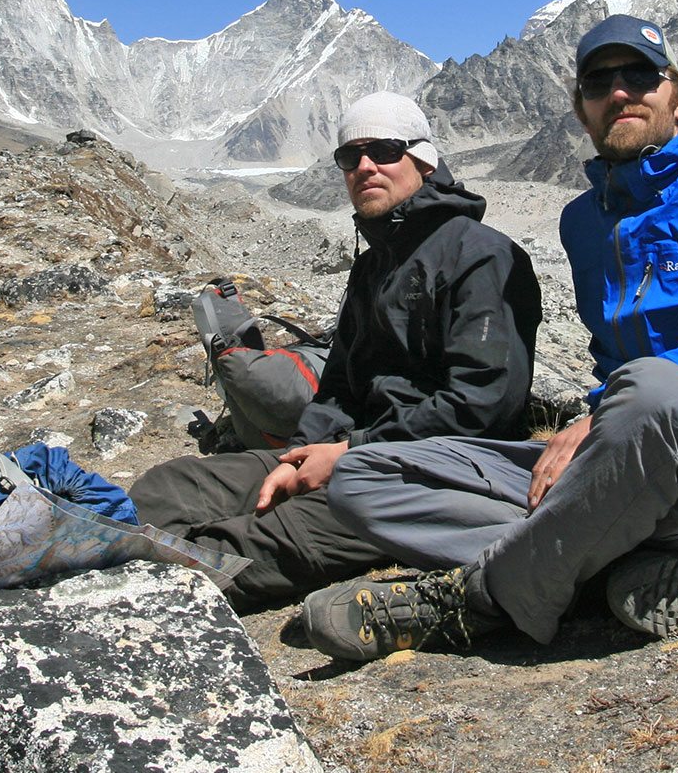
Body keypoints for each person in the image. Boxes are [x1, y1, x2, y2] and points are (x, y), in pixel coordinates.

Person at [301, 14, 678, 659]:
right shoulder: (585, 221)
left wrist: (607, 408)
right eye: (599, 82)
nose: (621, 92)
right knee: (363, 476)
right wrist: (604, 421)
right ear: (581, 111)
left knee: (653, 387)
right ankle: (611, 564)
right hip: (626, 462)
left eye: (641, 75)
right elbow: (611, 357)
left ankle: (477, 600)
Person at [130, 92, 543, 611]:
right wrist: (298, 454)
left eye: (385, 150)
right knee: (175, 485)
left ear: (422, 158)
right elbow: (341, 385)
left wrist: (350, 452)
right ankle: (82, 547)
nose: (365, 166)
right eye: (350, 157)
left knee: (244, 544)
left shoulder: (481, 256)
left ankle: (118, 590)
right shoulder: (373, 267)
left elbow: (484, 404)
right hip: (357, 452)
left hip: (437, 468)